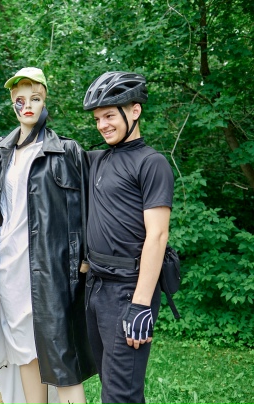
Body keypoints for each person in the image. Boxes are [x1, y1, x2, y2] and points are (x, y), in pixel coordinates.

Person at [0, 67, 96, 404]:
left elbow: (88, 210)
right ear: (12, 103)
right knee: (24, 350)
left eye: (35, 98)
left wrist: (86, 258)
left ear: (45, 100)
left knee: (61, 353)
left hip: (52, 269)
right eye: (21, 99)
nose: (28, 105)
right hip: (7, 267)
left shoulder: (67, 151)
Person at [82, 71, 174, 403]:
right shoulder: (98, 159)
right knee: (109, 383)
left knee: (121, 393)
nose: (102, 125)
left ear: (134, 110)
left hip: (127, 291)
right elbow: (53, 154)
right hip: (96, 286)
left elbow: (158, 235)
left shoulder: (152, 163)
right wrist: (9, 144)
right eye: (97, 119)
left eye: (109, 115)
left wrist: (140, 304)